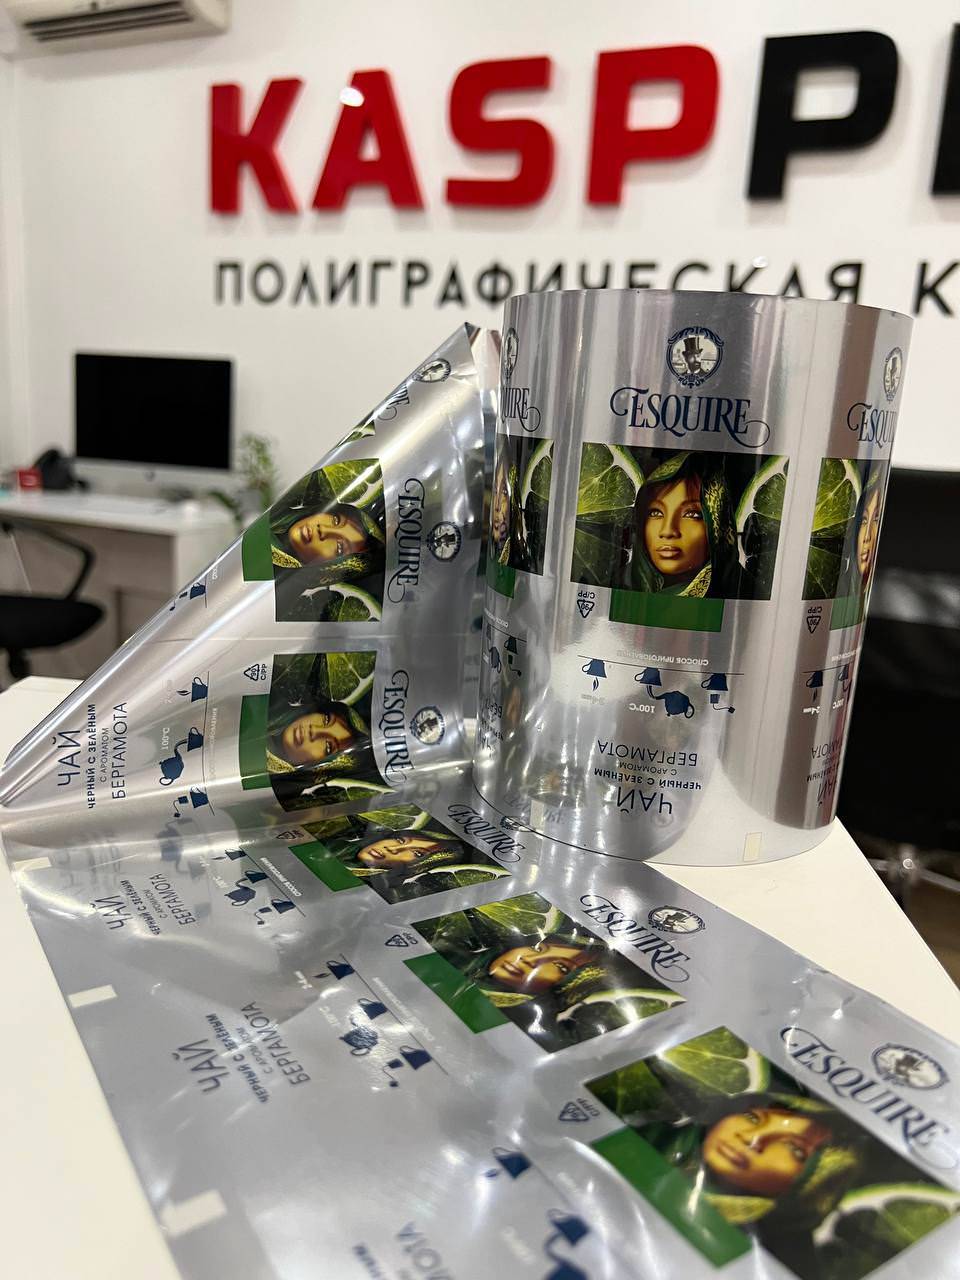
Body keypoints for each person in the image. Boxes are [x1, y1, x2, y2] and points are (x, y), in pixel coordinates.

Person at [268, 465, 385, 620]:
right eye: (336, 520)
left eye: (339, 547)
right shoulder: (279, 512)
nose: (323, 532)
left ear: (331, 569)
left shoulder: (283, 602)